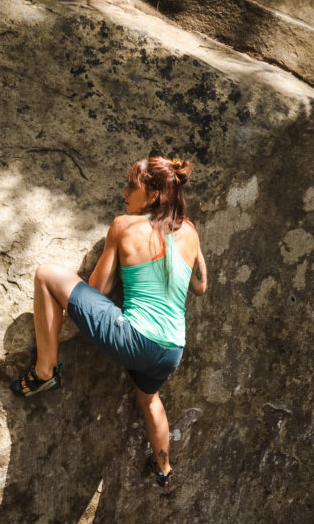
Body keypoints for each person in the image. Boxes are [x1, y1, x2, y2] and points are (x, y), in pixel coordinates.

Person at [11, 155, 207, 489]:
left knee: (46, 275)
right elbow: (201, 286)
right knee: (148, 399)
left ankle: (45, 372)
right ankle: (164, 470)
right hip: (172, 348)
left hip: (135, 339)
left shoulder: (123, 226)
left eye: (132, 186)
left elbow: (98, 290)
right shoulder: (188, 229)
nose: (124, 191)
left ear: (153, 193)